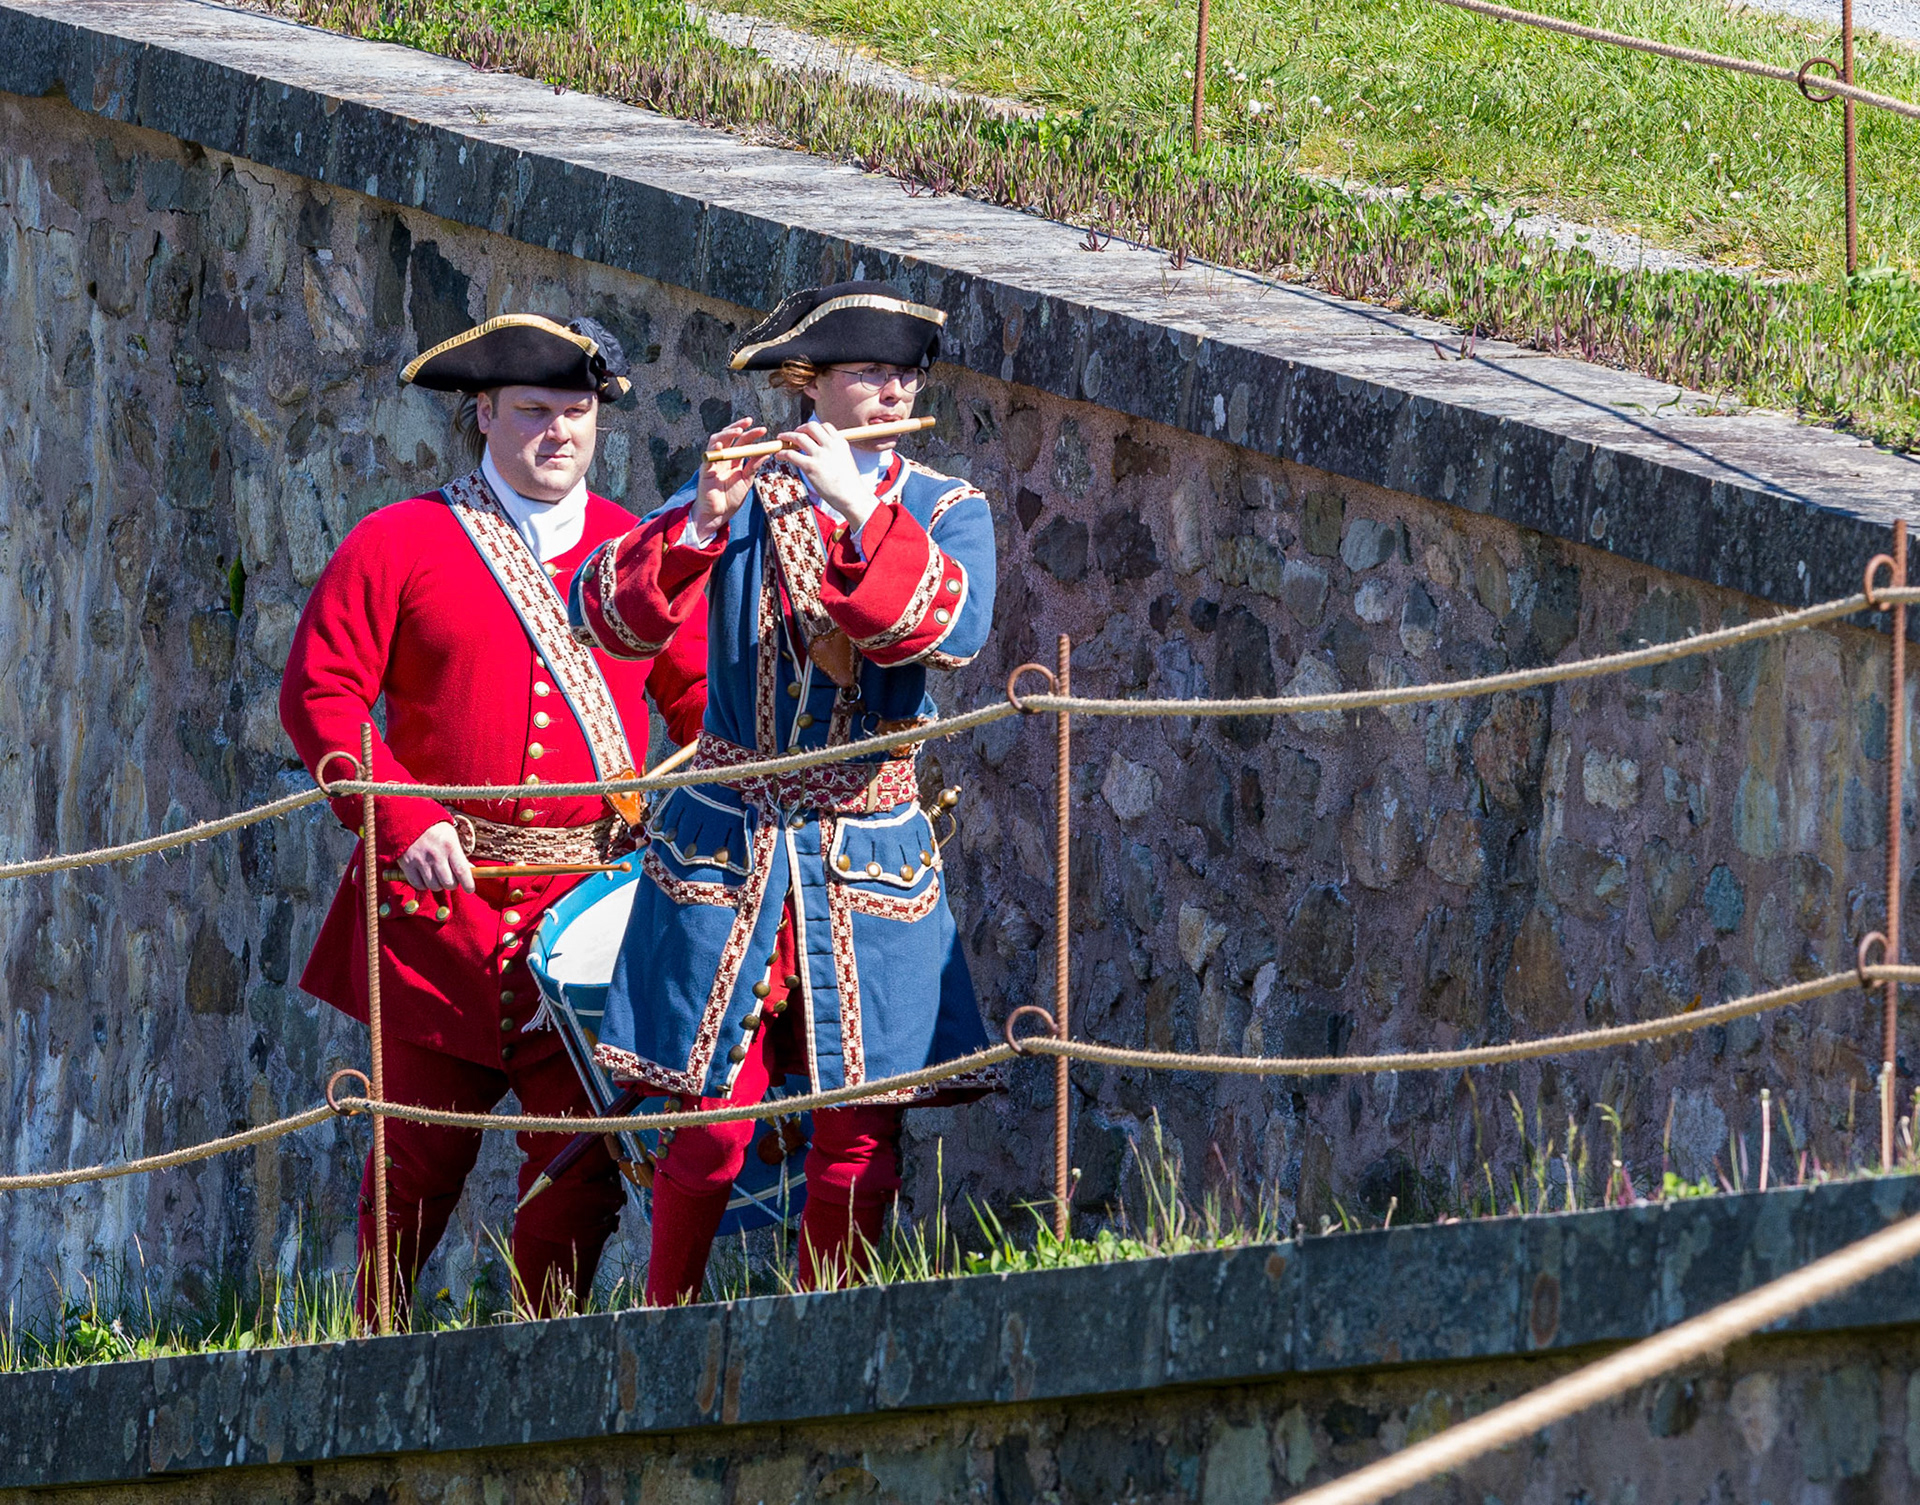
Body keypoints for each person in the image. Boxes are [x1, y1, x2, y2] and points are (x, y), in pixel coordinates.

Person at [569, 281, 1001, 1303]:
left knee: (863, 1128)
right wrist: (701, 522)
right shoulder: (738, 487)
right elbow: (605, 615)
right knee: (710, 1121)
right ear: (812, 382)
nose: (892, 391)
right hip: (729, 845)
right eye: (867, 374)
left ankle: (828, 1331)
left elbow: (956, 632)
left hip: (866, 845)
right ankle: (661, 1315)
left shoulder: (945, 506)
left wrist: (862, 515)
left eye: (905, 374)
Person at [280, 313, 707, 1321]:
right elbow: (322, 694)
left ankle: (538, 1351)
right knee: (416, 1160)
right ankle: (370, 1344)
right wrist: (401, 815)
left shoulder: (637, 553)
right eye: (532, 412)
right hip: (441, 912)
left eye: (577, 411)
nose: (558, 431)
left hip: (592, 908)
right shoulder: (401, 539)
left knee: (584, 1165)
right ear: (483, 414)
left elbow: (699, 710)